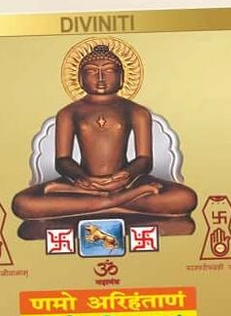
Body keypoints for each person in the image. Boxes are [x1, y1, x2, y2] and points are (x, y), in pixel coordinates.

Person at [10, 46, 198, 232]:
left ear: (122, 78)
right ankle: (113, 203)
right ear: (80, 78)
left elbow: (144, 159)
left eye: (108, 71)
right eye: (91, 72)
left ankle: (97, 204)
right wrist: (82, 178)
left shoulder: (136, 111)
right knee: (22, 203)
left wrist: (124, 176)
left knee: (185, 198)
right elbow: (63, 160)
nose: (100, 78)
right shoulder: (68, 112)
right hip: (82, 183)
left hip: (126, 183)